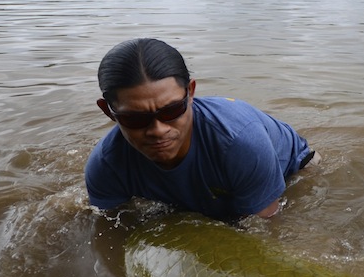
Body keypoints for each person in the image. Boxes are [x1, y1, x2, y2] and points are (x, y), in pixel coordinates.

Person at [85, 38, 315, 221]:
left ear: (191, 93)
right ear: (108, 111)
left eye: (171, 110)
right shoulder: (106, 166)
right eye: (135, 118)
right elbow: (112, 230)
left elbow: (266, 227)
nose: (158, 130)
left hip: (293, 170)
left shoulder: (240, 142)